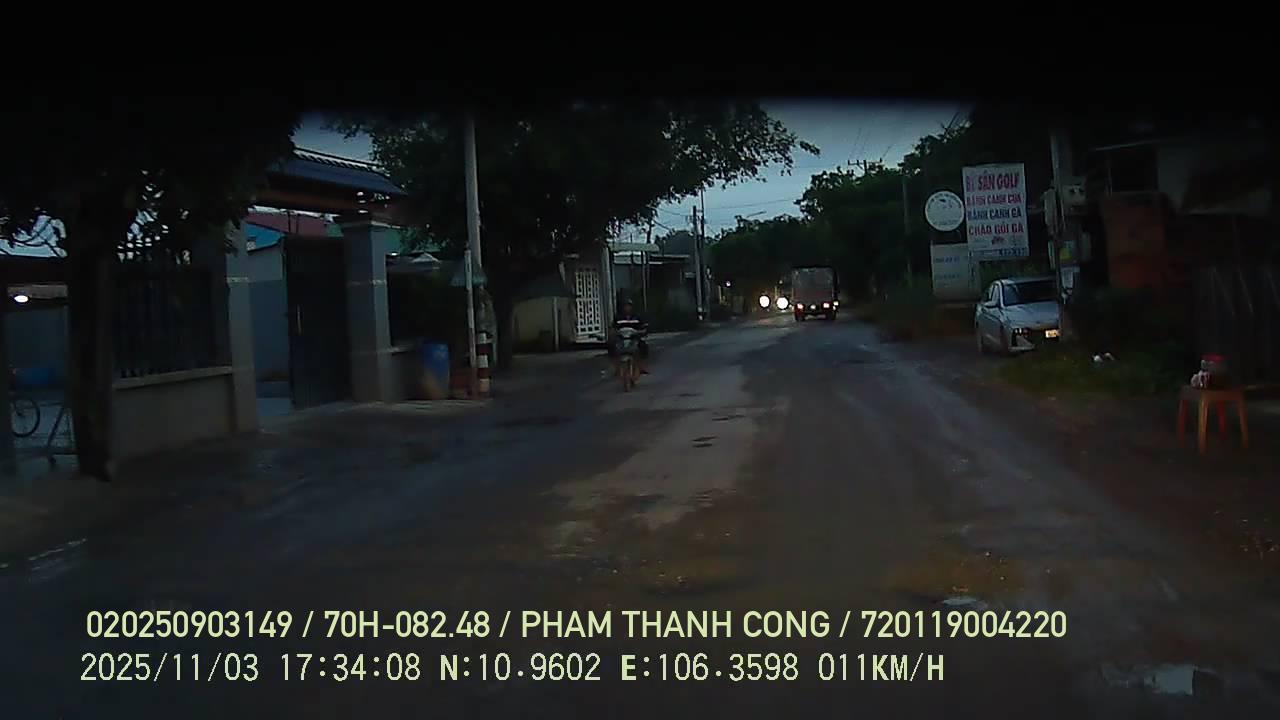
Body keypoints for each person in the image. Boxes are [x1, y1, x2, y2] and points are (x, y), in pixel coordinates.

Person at [611, 298, 649, 374]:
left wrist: (642, 332)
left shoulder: (637, 317)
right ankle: (616, 367)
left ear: (631, 307)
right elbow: (613, 328)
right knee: (611, 346)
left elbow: (643, 327)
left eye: (629, 306)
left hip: (634, 338)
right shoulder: (618, 317)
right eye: (625, 306)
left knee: (643, 346)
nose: (627, 308)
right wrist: (613, 333)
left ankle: (641, 366)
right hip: (621, 338)